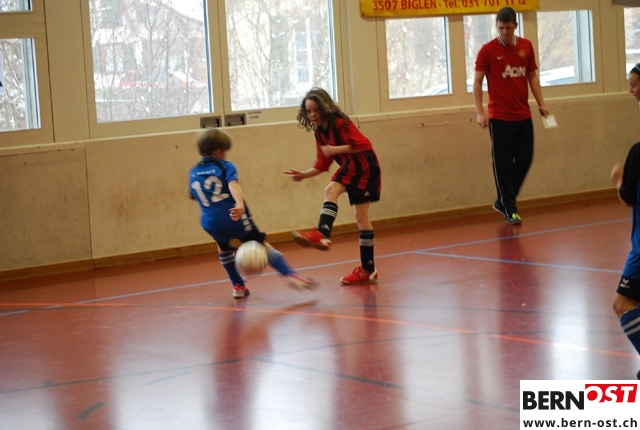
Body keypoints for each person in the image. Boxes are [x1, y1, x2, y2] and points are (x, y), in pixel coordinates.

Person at [189, 128, 313, 298]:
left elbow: (192, 195)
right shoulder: (225, 166)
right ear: (218, 151)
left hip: (211, 222)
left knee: (223, 248)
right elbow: (233, 184)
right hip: (235, 217)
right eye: (224, 151)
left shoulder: (193, 171)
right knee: (262, 245)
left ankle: (238, 285)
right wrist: (239, 204)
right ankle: (291, 274)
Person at [283, 87, 381, 284]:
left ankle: (367, 269)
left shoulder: (340, 123)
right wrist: (303, 175)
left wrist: (335, 149)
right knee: (330, 190)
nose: (312, 115)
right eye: (308, 111)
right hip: (348, 168)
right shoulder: (320, 133)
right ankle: (323, 234)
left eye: (316, 110)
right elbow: (322, 164)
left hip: (366, 169)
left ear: (325, 107)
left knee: (361, 217)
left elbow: (364, 145)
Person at [473, 6, 550, 225]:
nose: (505, 32)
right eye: (501, 28)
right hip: (499, 117)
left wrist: (541, 104)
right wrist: (480, 112)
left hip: (522, 115)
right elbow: (477, 82)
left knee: (526, 158)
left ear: (515, 26)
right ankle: (510, 208)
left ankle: (503, 200)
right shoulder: (487, 51)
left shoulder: (526, 47)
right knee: (503, 163)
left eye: (508, 28)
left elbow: (532, 76)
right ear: (496, 27)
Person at [610, 63, 640, 379]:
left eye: (634, 84)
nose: (630, 90)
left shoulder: (638, 152)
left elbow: (628, 198)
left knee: (623, 304)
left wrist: (619, 180)